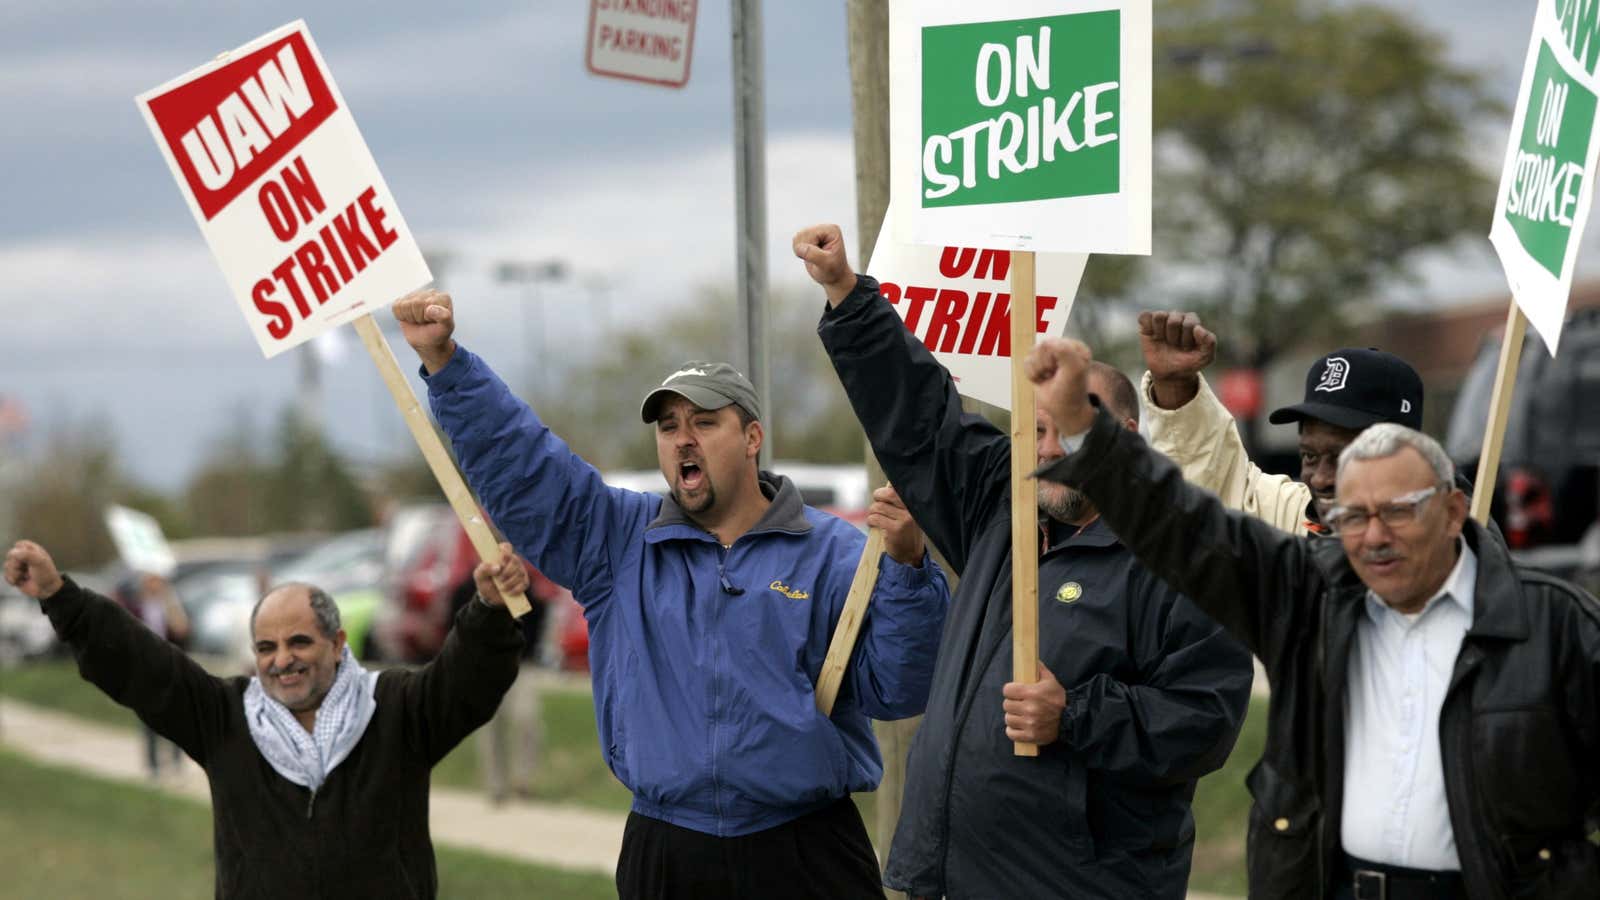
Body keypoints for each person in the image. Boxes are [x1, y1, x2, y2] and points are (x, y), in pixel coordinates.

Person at [392, 288, 951, 900]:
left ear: (752, 436)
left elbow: (900, 689)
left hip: (807, 849)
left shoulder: (836, 553)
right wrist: (448, 364)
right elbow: (524, 466)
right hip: (668, 849)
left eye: (705, 423)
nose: (683, 439)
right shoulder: (615, 541)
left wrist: (907, 568)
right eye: (668, 427)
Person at [1026, 336, 1600, 900]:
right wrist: (1085, 431)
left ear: (1451, 506)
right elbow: (1186, 528)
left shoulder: (1554, 625)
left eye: (1395, 511)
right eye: (1350, 513)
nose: (1371, 534)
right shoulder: (1308, 596)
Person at [794, 224, 1253, 899]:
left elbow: (1204, 721)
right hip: (947, 881)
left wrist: (1074, 717)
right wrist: (846, 293)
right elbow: (921, 417)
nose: (1045, 448)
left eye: (1067, 427)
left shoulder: (1181, 556)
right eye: (1034, 430)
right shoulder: (999, 514)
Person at [4, 538, 527, 899]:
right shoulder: (223, 718)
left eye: (299, 641)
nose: (283, 660)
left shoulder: (394, 708)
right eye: (267, 647)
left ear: (338, 643)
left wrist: (487, 608)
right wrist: (60, 597)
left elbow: (468, 684)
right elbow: (140, 663)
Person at [1138, 309, 1425, 533]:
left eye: (1342, 458)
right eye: (1310, 456)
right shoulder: (1296, 517)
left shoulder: (1456, 538)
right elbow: (1215, 487)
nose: (1321, 478)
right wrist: (1175, 385)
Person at [124, 571, 190, 779]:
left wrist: (171, 604)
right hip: (145, 670)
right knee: (149, 719)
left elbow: (182, 632)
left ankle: (177, 763)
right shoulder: (135, 608)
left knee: (177, 717)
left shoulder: (169, 606)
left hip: (170, 668)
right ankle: (153, 766)